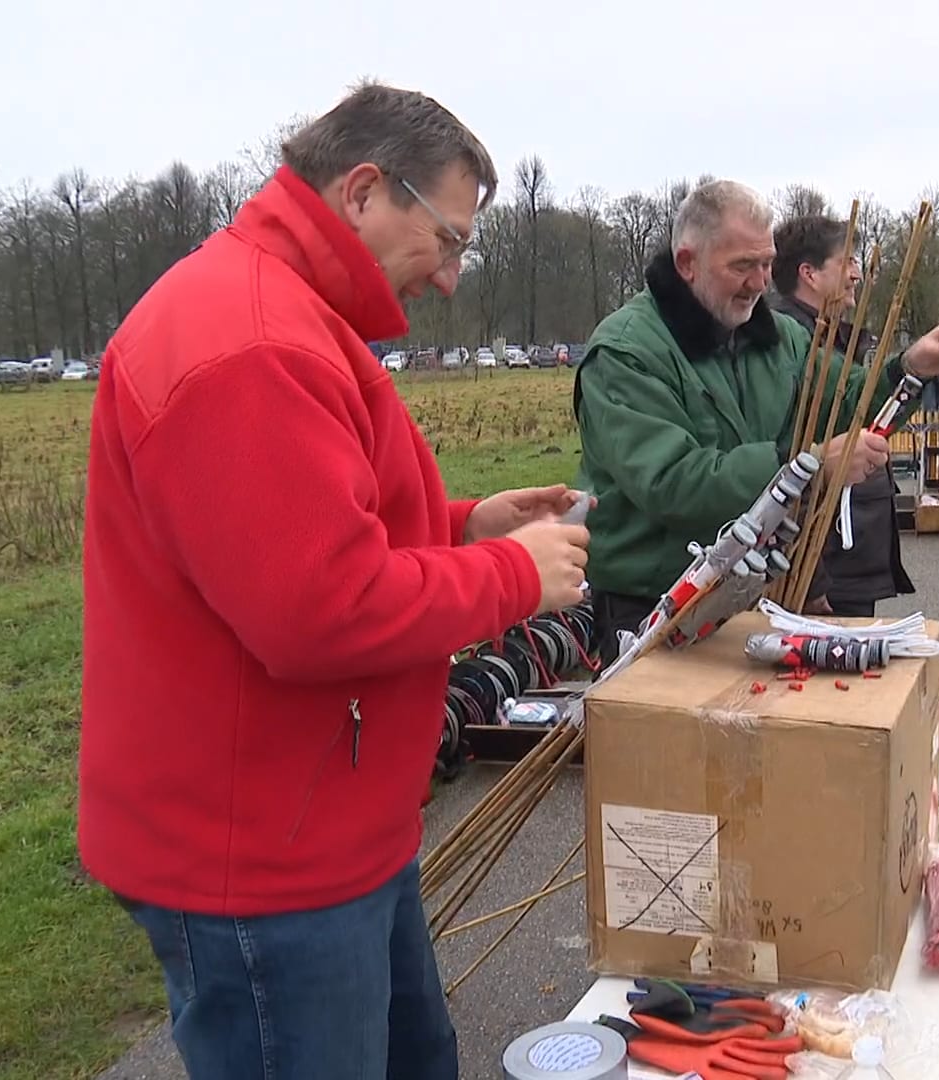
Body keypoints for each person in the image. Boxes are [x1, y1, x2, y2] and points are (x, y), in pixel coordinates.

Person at [78, 84, 593, 1080]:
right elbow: (318, 611)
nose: (449, 278)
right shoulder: (252, 342)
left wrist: (463, 526)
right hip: (265, 865)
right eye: (448, 240)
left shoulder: (292, 315)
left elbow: (312, 536)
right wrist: (508, 577)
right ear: (363, 192)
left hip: (336, 827)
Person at [574, 180, 939, 658]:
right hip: (655, 608)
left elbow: (846, 403)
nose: (761, 282)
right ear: (687, 263)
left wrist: (910, 368)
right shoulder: (625, 352)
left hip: (757, 595)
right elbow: (673, 482)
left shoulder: (778, 338)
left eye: (766, 263)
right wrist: (805, 469)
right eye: (743, 266)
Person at [770, 214, 915, 617]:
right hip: (829, 563)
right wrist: (811, 575)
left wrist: (918, 373)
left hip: (846, 559)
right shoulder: (786, 344)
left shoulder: (834, 338)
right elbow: (790, 460)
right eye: (847, 261)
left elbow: (865, 414)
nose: (856, 274)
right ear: (810, 274)